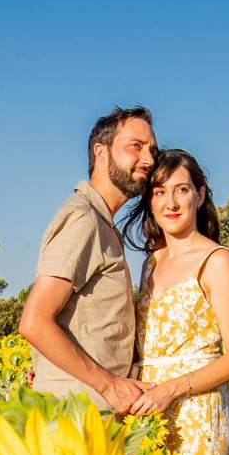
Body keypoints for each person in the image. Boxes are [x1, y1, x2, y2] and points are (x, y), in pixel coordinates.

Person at [124, 149, 229, 455]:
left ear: (200, 194)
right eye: (160, 192)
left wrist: (171, 389)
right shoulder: (150, 263)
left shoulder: (218, 261)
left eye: (181, 190)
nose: (171, 202)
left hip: (198, 413)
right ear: (150, 201)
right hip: (148, 416)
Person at [19, 106, 157, 413]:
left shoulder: (102, 222)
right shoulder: (84, 218)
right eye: (135, 146)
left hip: (86, 412)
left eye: (152, 150)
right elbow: (35, 321)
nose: (148, 159)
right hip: (76, 418)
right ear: (102, 151)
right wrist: (110, 385)